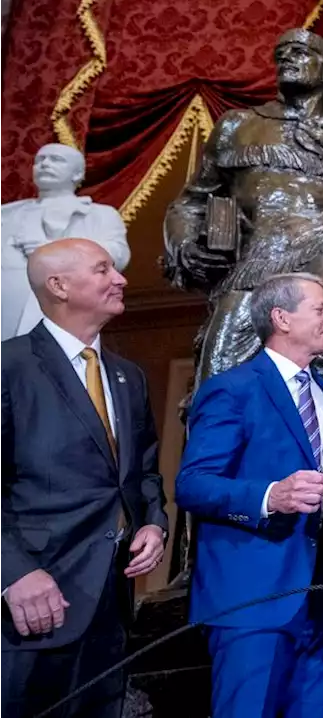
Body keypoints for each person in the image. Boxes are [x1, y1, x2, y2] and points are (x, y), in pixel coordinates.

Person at [163, 28, 323, 393]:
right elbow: (189, 203)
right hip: (251, 274)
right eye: (281, 53)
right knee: (217, 385)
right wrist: (187, 246)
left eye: (300, 52)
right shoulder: (238, 127)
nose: (286, 58)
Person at [0, 239, 166, 717]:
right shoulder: (9, 367)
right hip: (31, 606)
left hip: (110, 609)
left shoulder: (127, 376)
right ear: (59, 286)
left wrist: (153, 523)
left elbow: (144, 471)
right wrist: (14, 573)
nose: (120, 279)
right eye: (103, 269)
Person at [175, 272, 323, 718]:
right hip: (253, 598)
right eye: (321, 309)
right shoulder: (232, 389)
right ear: (281, 318)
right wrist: (271, 496)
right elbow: (193, 484)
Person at [0, 144, 130, 340]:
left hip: (66, 307)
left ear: (77, 173)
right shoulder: (7, 214)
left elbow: (117, 255)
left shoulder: (99, 215)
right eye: (40, 160)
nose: (45, 165)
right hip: (8, 308)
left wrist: (52, 253)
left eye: (56, 160)